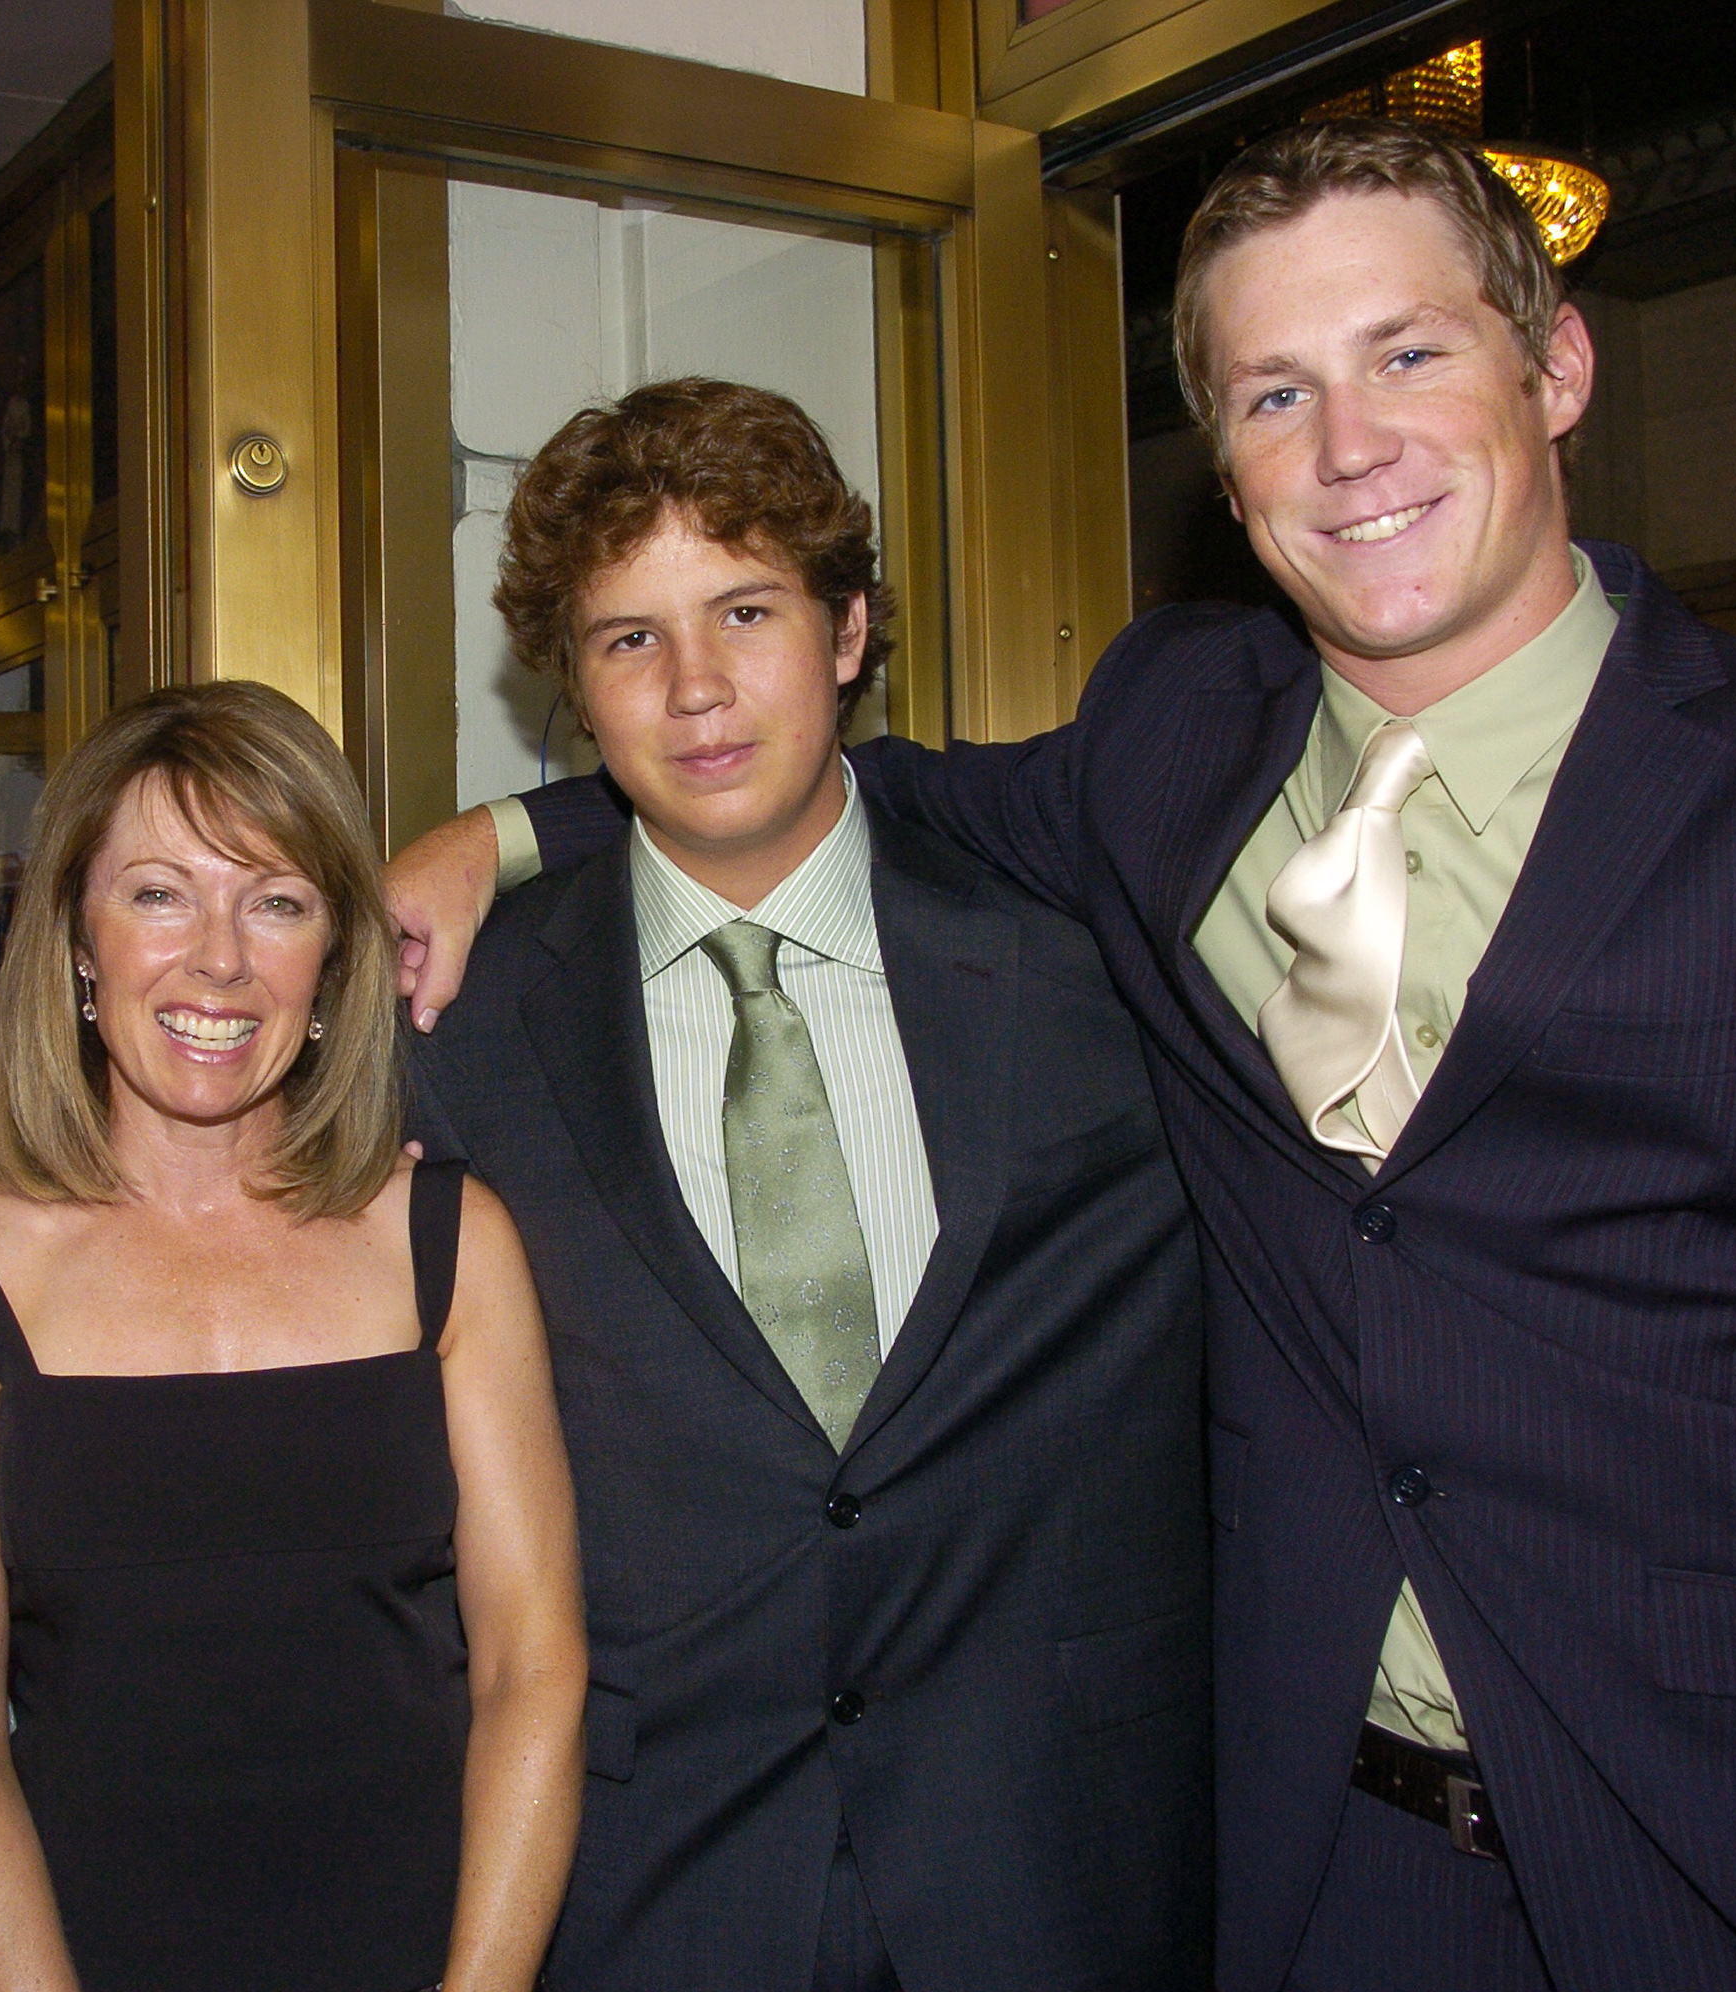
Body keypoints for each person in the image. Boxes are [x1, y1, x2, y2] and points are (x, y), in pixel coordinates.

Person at [406, 121, 1736, 1990]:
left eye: (1410, 354)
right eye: (1277, 391)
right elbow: (816, 789)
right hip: (1313, 1869)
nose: (1347, 444)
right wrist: (501, 836)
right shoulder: (1170, 742)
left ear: (1563, 366)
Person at [397, 380, 1209, 1990]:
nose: (695, 689)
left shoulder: (1091, 953)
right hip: (654, 1884)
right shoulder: (455, 1028)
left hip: (1063, 1855)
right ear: (573, 684)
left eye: (746, 611)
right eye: (629, 640)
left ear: (846, 634)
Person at [0, 680, 584, 1992]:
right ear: (78, 939)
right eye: (157, 894)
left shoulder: (449, 1243)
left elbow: (535, 1670)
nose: (219, 959)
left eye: (278, 901)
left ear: (333, 960)